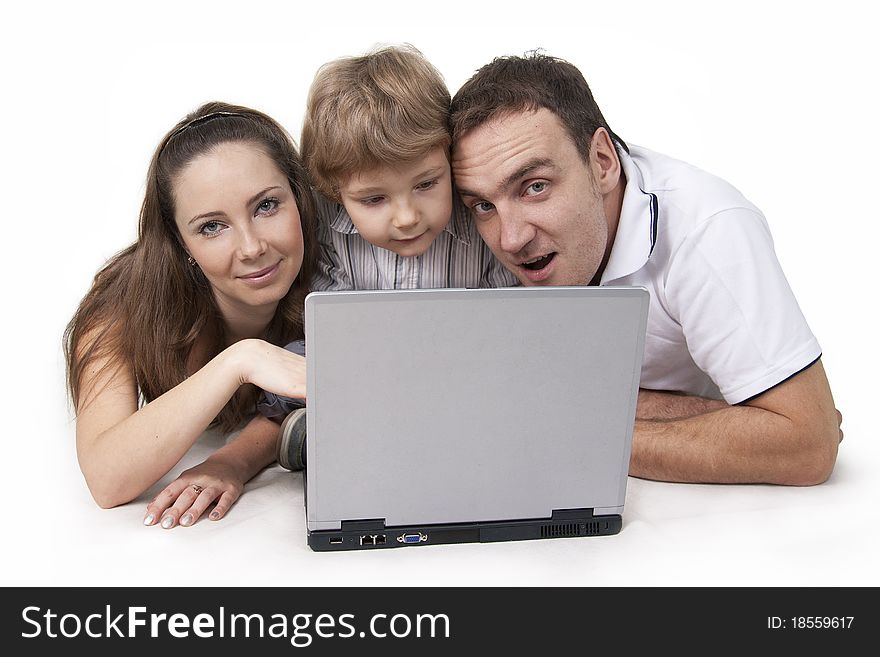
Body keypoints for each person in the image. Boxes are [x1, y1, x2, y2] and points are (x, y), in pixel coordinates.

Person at [449, 52, 841, 486]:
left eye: (535, 187)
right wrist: (713, 417)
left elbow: (807, 444)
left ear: (601, 161)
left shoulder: (709, 227)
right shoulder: (465, 231)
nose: (510, 239)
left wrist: (569, 432)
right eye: (483, 205)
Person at [261, 45, 518, 469]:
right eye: (374, 199)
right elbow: (330, 322)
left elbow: (507, 320)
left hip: (465, 361)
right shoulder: (325, 223)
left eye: (427, 184)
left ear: (450, 159)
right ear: (334, 192)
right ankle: (332, 427)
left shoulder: (480, 218)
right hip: (366, 364)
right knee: (299, 357)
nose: (406, 218)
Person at [64, 102, 316, 528]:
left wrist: (233, 461)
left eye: (267, 206)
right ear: (181, 244)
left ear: (299, 196)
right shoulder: (120, 307)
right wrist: (241, 361)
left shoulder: (336, 271)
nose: (252, 247)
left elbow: (300, 405)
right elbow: (106, 480)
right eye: (211, 227)